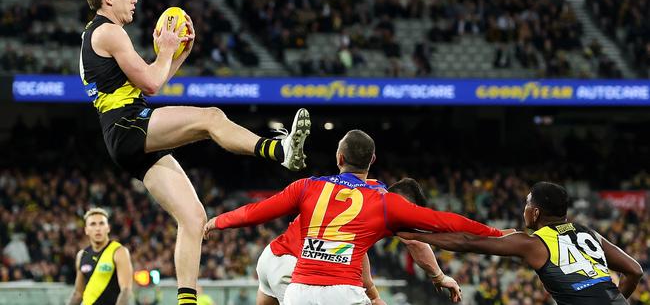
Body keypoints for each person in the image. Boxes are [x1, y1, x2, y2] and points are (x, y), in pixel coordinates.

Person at [80, 0, 311, 305]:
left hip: (125, 129)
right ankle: (279, 150)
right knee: (211, 118)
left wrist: (177, 56)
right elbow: (151, 82)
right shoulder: (110, 32)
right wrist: (164, 51)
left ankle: (186, 300)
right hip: (128, 124)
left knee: (194, 217)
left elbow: (150, 84)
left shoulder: (98, 33)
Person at [205, 129, 503, 305]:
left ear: (339, 158)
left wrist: (217, 221)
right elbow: (440, 226)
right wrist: (496, 235)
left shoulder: (310, 185)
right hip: (314, 279)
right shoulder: (382, 203)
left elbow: (258, 211)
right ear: (372, 161)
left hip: (272, 260)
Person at [398, 182, 644, 305]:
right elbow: (635, 270)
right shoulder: (590, 233)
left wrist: (418, 235)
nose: (524, 209)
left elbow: (467, 241)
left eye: (527, 204)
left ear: (535, 213)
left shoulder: (533, 243)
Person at [254, 178, 462, 305]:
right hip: (296, 268)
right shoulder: (384, 208)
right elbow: (415, 242)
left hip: (272, 257)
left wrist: (373, 295)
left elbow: (353, 252)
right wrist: (439, 277)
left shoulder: (362, 188)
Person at [68, 208, 133, 305]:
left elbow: (126, 290)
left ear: (108, 228)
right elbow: (78, 294)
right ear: (86, 230)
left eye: (101, 223)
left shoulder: (118, 252)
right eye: (93, 224)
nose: (98, 228)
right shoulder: (82, 255)